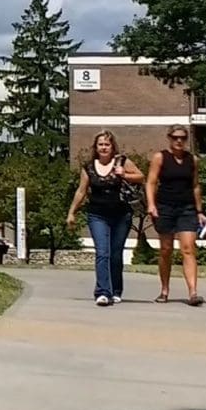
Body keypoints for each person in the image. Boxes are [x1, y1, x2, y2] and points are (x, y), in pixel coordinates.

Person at [67, 130, 142, 306]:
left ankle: (116, 290)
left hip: (121, 215)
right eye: (100, 144)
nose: (103, 147)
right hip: (97, 215)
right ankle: (102, 292)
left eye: (107, 144)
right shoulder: (89, 168)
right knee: (102, 252)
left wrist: (124, 174)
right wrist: (72, 212)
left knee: (115, 255)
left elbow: (141, 177)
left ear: (112, 146)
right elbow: (81, 191)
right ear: (96, 147)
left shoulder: (122, 162)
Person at [145, 127, 206, 305]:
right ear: (169, 138)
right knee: (166, 250)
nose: (179, 141)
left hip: (186, 208)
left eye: (182, 138)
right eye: (175, 138)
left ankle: (193, 293)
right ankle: (164, 290)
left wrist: (199, 210)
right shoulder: (160, 157)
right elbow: (151, 182)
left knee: (188, 249)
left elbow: (195, 185)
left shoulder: (192, 160)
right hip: (165, 207)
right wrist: (151, 204)